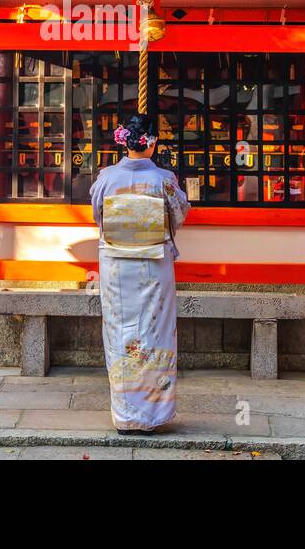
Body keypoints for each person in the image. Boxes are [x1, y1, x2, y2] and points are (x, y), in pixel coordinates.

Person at [89, 113, 191, 435]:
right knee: (154, 334)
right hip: (153, 265)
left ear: (123, 141)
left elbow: (97, 214)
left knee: (119, 333)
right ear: (152, 142)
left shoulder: (106, 177)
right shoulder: (164, 179)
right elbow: (180, 213)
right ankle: (152, 414)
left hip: (116, 266)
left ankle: (125, 414)